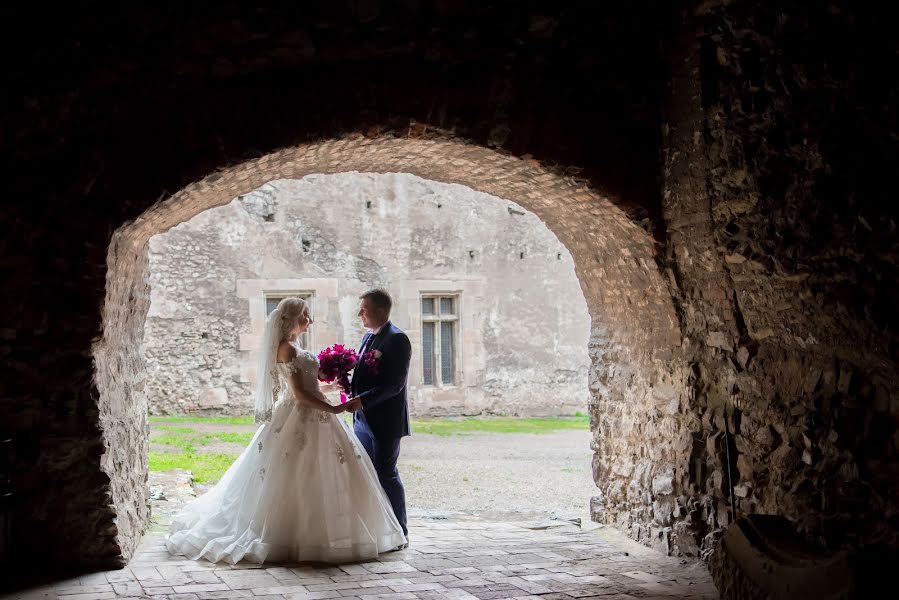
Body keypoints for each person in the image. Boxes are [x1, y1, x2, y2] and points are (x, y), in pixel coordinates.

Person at [165, 297, 406, 564]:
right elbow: (301, 395)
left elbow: (307, 387)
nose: (310, 321)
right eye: (306, 315)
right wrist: (334, 410)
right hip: (301, 415)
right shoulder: (286, 349)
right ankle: (297, 536)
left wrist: (330, 389)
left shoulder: (294, 346)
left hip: (316, 413)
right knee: (297, 473)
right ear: (292, 318)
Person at [344, 288, 412, 547]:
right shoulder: (367, 337)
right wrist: (346, 386)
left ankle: (401, 532)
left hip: (385, 420)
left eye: (364, 309)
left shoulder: (397, 339)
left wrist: (362, 399)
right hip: (362, 419)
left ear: (381, 311)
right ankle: (379, 528)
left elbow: (394, 384)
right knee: (367, 474)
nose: (359, 313)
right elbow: (363, 373)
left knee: (386, 473)